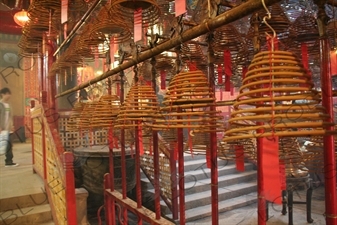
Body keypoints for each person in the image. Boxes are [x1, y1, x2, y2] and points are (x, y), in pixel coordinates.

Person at [0, 87, 18, 167]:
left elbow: (10, 116)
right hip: (2, 129)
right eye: (7, 94)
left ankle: (9, 161)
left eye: (9, 94)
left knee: (9, 145)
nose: (9, 95)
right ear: (2, 94)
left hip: (9, 129)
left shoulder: (9, 105)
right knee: (2, 145)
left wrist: (12, 126)